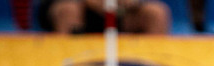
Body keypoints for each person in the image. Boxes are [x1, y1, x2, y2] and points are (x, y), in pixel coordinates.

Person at [36, 0, 170, 34]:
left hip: (119, 13)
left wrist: (131, 2)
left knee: (156, 13)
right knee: (67, 11)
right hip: (79, 11)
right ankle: (67, 63)